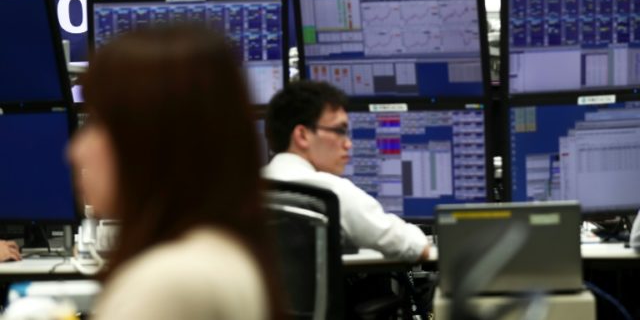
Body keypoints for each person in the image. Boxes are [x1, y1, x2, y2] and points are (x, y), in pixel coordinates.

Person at [67, 25, 282, 320]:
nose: (75, 150)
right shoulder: (217, 254)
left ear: (154, 138)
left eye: (99, 124)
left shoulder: (169, 283)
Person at [262, 81, 429, 262]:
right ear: (302, 135)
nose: (348, 144)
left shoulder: (244, 189)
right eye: (339, 130)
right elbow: (410, 246)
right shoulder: (329, 192)